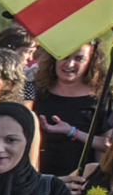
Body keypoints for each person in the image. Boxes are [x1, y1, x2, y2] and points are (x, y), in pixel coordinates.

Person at [33, 41, 107, 178]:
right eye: (64, 57)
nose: (70, 64)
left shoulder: (103, 97)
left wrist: (72, 131)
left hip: (77, 182)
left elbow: (107, 145)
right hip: (37, 180)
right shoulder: (36, 90)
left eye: (79, 58)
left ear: (91, 61)